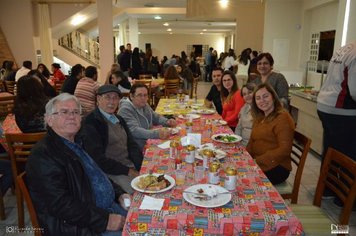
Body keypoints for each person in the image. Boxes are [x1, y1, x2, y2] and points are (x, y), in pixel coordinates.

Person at [26, 93, 129, 235]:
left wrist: (119, 194)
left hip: (105, 210)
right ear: (49, 120)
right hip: (79, 226)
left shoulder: (78, 141)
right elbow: (61, 205)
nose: (71, 116)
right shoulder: (43, 155)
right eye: (64, 112)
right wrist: (104, 221)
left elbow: (97, 176)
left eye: (75, 112)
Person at [81, 85, 143, 193]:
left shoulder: (119, 119)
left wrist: (140, 166)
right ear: (98, 99)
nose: (112, 101)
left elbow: (131, 144)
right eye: (108, 97)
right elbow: (97, 159)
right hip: (110, 172)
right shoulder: (91, 123)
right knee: (140, 193)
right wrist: (128, 171)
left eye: (115, 98)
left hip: (129, 165)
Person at [247, 83, 295, 185]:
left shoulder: (282, 117)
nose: (262, 100)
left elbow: (285, 150)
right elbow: (252, 141)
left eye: (265, 96)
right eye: (258, 98)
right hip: (260, 162)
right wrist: (246, 157)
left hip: (277, 167)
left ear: (273, 97)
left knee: (244, 180)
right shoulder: (260, 116)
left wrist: (257, 161)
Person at [317, 41, 356, 161]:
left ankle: (325, 179)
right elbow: (355, 92)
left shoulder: (347, 47)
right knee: (346, 158)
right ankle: (339, 179)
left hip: (326, 105)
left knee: (330, 150)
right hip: (342, 111)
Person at [118, 83, 177, 151]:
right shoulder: (125, 110)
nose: (143, 98)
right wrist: (157, 134)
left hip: (148, 140)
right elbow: (135, 131)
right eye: (140, 95)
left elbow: (156, 117)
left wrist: (167, 121)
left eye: (145, 95)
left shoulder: (144, 105)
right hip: (136, 146)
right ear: (131, 96)